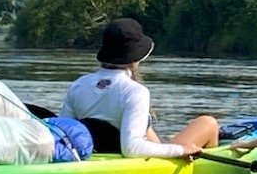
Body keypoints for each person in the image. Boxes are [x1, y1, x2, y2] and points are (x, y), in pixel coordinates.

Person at [61, 18, 220, 158]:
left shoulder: (78, 85)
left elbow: (64, 134)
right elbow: (132, 148)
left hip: (96, 154)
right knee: (208, 123)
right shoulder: (135, 92)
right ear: (137, 56)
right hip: (131, 161)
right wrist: (180, 150)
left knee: (153, 132)